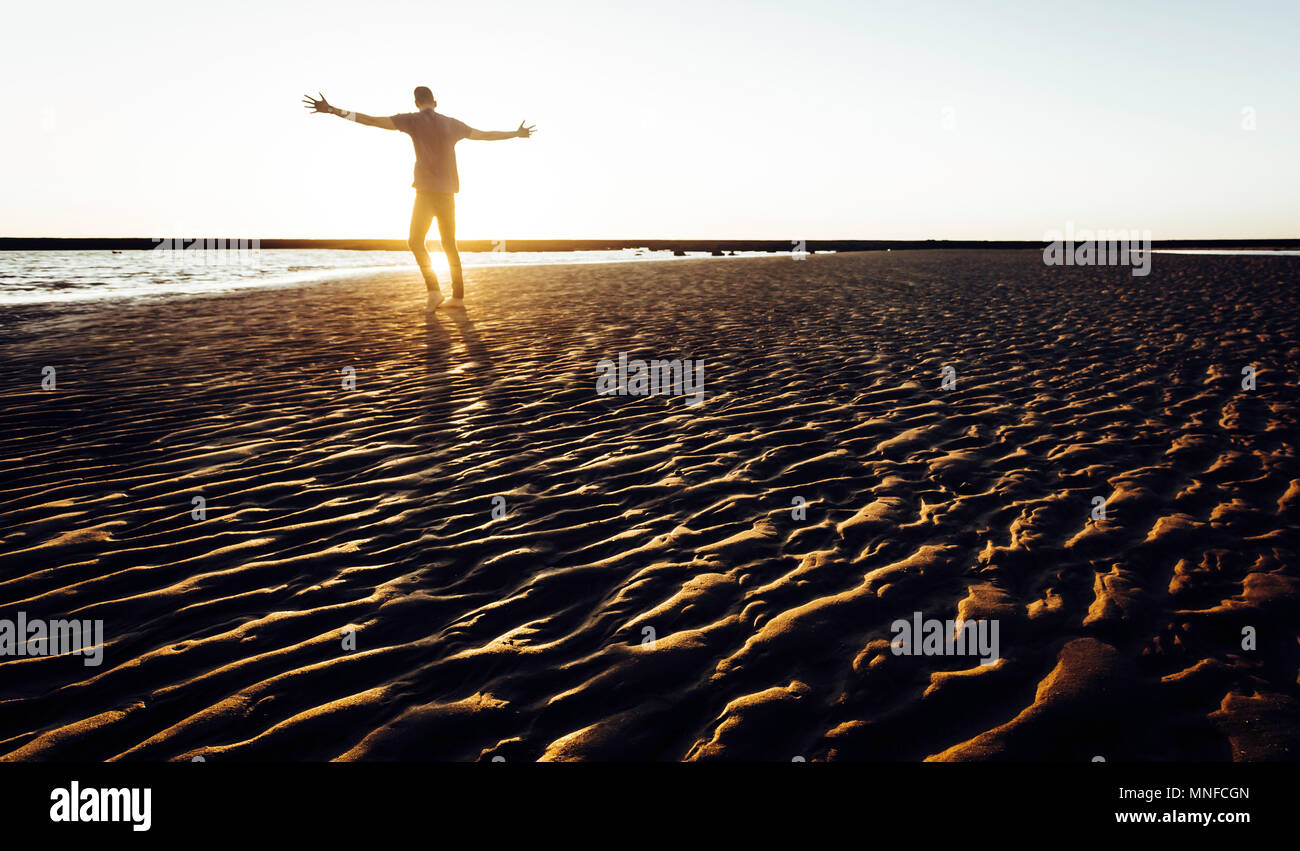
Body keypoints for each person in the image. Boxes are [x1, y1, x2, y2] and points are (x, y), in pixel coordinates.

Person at [303, 87, 534, 308]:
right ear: (435, 102)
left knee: (415, 242)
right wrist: (516, 133)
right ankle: (458, 298)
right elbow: (485, 135)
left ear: (416, 103)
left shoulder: (411, 120)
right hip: (448, 193)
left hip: (425, 193)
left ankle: (434, 291)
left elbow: (371, 120)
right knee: (449, 245)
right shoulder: (452, 124)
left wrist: (333, 110)